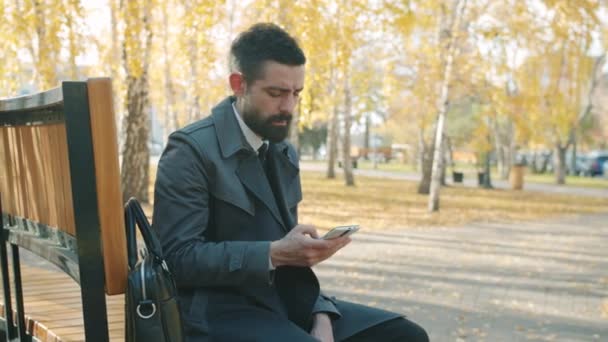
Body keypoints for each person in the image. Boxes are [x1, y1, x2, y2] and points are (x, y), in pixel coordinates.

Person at [152, 23, 429, 342]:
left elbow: (289, 256)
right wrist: (275, 254)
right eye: (276, 93)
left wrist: (321, 312)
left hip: (282, 303)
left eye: (296, 93)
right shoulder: (189, 151)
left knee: (406, 335)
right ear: (238, 84)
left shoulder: (283, 151)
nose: (288, 107)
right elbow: (178, 259)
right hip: (214, 313)